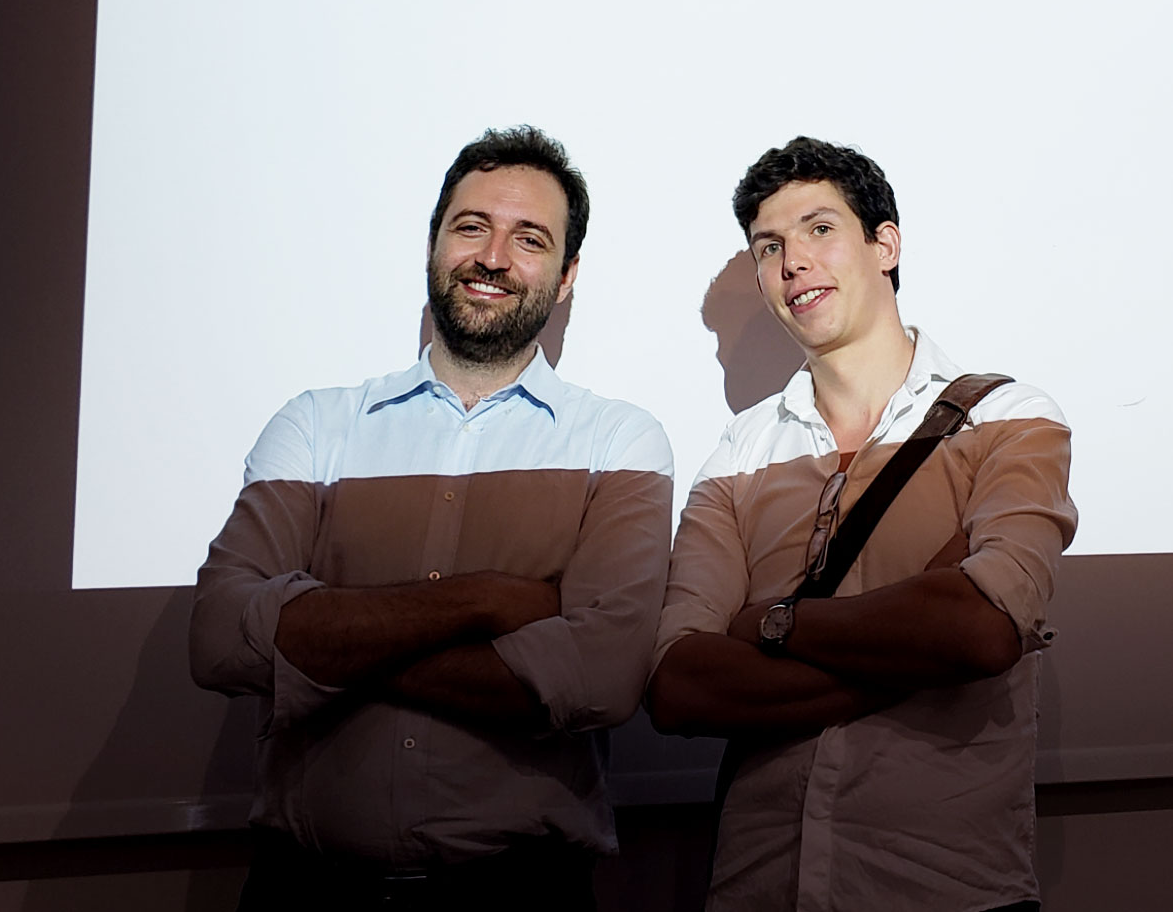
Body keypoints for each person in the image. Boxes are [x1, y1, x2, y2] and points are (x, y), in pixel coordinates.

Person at [190, 125, 673, 911]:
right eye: (472, 226)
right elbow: (216, 637)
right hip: (302, 890)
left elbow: (602, 677)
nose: (492, 257)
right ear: (433, 243)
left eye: (529, 238)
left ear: (567, 274)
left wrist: (329, 644)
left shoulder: (618, 442)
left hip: (522, 896)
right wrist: (485, 601)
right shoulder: (316, 425)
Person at [648, 137, 1076, 912]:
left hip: (949, 892)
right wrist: (911, 641)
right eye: (768, 245)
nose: (791, 263)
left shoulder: (1011, 417)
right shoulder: (737, 454)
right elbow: (679, 685)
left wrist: (769, 624)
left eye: (819, 230)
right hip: (758, 888)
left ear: (886, 244)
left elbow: (979, 631)